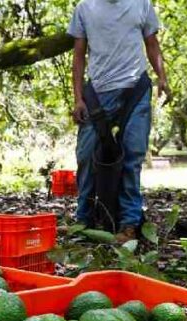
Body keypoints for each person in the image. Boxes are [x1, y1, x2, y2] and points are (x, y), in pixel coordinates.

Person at [69, 0, 169, 242]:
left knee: (132, 156)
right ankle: (83, 218)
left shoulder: (141, 4)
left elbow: (152, 44)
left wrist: (162, 78)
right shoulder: (84, 8)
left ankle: (129, 223)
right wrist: (78, 99)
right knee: (85, 155)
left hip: (135, 90)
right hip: (98, 93)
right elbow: (79, 56)